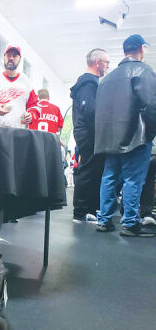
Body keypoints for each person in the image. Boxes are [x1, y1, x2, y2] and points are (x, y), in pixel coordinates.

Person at [95, 34, 156, 237]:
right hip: (135, 136)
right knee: (133, 179)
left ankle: (104, 220)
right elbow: (151, 105)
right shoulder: (144, 71)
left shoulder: (107, 78)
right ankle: (130, 223)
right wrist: (151, 132)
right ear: (142, 48)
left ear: (124, 51)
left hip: (110, 137)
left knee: (109, 177)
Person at [70, 48, 110, 223]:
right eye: (106, 63)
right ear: (98, 62)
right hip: (88, 133)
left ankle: (90, 209)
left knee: (94, 170)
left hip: (88, 132)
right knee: (88, 170)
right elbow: (90, 110)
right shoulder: (88, 83)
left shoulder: (90, 82)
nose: (107, 66)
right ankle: (80, 211)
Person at [0, 45, 39, 128]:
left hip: (18, 133)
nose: (11, 58)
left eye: (15, 56)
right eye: (8, 55)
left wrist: (31, 115)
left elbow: (34, 106)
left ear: (19, 59)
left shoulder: (26, 83)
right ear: (4, 57)